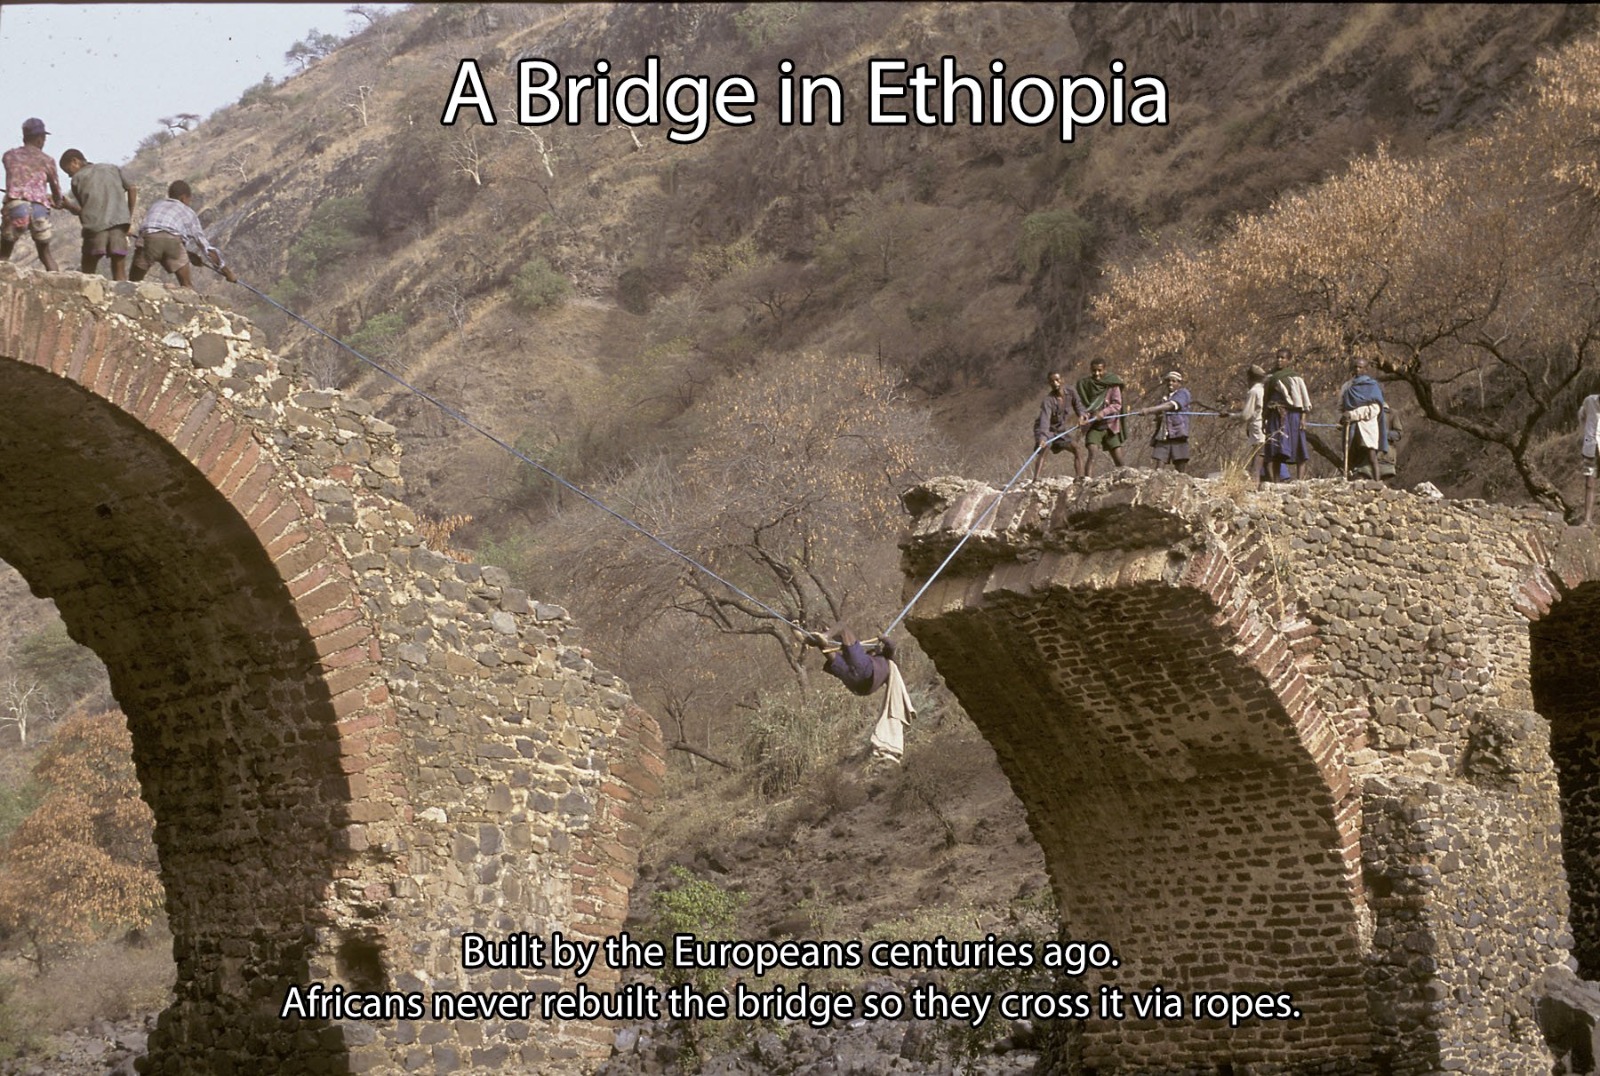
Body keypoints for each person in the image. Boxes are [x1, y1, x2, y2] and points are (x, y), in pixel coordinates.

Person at [802, 624, 914, 763]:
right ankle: (818, 640)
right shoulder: (873, 663)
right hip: (858, 686)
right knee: (832, 653)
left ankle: (823, 637)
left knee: (843, 627)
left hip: (864, 675)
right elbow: (846, 653)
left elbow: (891, 646)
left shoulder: (884, 659)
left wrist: (884, 638)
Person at [130, 180, 236, 287]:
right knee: (186, 285)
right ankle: (188, 292)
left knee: (134, 282)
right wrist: (227, 272)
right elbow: (206, 248)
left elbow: (150, 231)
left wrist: (188, 254)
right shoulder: (188, 212)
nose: (189, 203)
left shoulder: (156, 205)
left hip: (148, 240)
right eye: (189, 200)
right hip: (173, 243)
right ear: (183, 198)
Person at [60, 149, 136, 280]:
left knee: (88, 268)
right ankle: (121, 290)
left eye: (68, 171)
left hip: (95, 229)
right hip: (119, 225)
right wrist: (128, 217)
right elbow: (132, 188)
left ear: (75, 161)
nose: (69, 176)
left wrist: (67, 206)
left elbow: (83, 210)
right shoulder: (112, 168)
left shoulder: (77, 179)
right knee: (119, 267)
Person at [1, 118, 62, 271]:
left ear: (24, 137)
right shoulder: (48, 160)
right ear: (40, 139)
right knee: (45, 253)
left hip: (16, 207)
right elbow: (56, 190)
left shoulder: (9, 156)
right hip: (39, 209)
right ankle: (55, 280)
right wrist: (57, 201)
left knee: (4, 254)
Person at [1261, 347, 1312, 482]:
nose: (1279, 360)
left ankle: (1300, 480)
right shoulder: (1270, 378)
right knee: (1276, 449)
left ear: (1288, 360)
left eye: (1282, 358)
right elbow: (1266, 399)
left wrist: (1303, 418)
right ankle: (1276, 481)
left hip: (1293, 415)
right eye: (1278, 357)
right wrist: (1264, 418)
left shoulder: (1295, 378)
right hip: (1275, 415)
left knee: (1298, 447)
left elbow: (1303, 399)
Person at [1338, 357, 1390, 481]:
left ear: (1366, 369)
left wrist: (1353, 414)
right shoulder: (1347, 386)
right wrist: (1342, 418)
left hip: (1367, 426)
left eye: (1360, 367)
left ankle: (1377, 482)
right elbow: (1340, 406)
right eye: (1355, 367)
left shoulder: (1373, 386)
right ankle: (1348, 480)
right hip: (1350, 426)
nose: (1357, 369)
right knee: (1350, 455)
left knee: (1371, 455)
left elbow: (1375, 408)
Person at [1032, 370, 1085, 480]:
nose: (1055, 383)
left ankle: (1079, 478)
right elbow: (1045, 420)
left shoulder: (1071, 392)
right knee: (1045, 448)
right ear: (1049, 383)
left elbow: (1078, 406)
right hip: (1045, 429)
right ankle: (1036, 479)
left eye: (1057, 380)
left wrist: (1081, 416)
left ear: (1062, 380)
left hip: (1060, 430)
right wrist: (1043, 438)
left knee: (1077, 448)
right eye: (1052, 381)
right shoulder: (1048, 401)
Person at [1076, 359, 1125, 476]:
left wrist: (1103, 412)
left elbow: (1117, 405)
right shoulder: (1086, 384)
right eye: (1094, 371)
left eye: (1100, 370)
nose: (1097, 373)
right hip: (1094, 427)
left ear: (1105, 369)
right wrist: (1084, 416)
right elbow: (1084, 406)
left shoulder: (1113, 384)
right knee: (1092, 453)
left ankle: (1125, 479)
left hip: (1110, 426)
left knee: (1118, 458)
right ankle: (1087, 481)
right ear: (1090, 370)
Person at [1149, 370, 1192, 472]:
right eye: (1168, 381)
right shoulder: (1164, 398)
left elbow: (1171, 405)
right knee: (1158, 469)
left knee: (1180, 469)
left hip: (1178, 435)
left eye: (1174, 381)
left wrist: (1149, 410)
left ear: (1179, 383)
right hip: (1164, 436)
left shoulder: (1183, 393)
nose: (1170, 383)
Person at [1235, 363, 1268, 482]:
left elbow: (1246, 415)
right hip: (1267, 426)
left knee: (1258, 454)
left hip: (1257, 426)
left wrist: (1231, 416)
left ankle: (1255, 481)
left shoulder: (1253, 391)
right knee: (1264, 454)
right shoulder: (1265, 390)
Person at [1581, 392, 1600, 526]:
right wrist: (1585, 434)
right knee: (1589, 483)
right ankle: (1587, 519)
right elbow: (1582, 416)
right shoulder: (1590, 401)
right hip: (1590, 448)